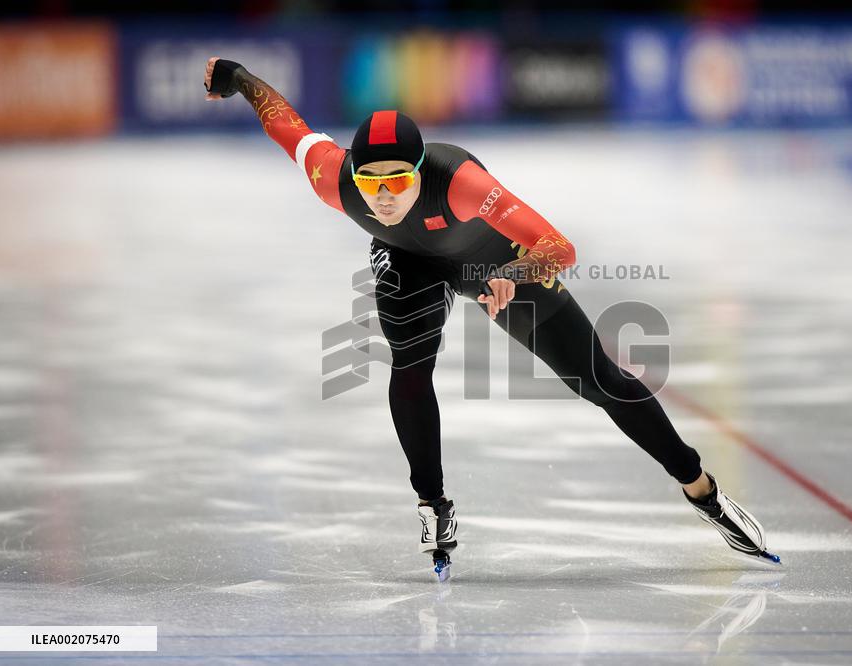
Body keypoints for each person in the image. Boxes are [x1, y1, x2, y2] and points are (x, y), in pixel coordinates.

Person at [203, 57, 779, 577]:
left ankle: (702, 490)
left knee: (598, 378)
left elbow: (560, 249)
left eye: (398, 180)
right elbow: (285, 123)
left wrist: (514, 275)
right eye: (370, 181)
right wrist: (239, 79)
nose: (382, 196)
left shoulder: (462, 186)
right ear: (351, 174)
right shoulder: (331, 178)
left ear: (421, 171)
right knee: (410, 364)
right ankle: (432, 505)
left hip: (496, 265)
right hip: (410, 261)